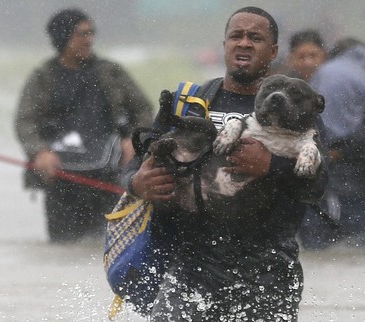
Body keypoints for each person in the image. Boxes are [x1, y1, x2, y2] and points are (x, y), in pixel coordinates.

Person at [121, 7, 325, 320]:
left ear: (273, 51)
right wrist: (136, 183)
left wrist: (271, 165)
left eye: (255, 38)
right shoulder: (190, 102)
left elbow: (321, 184)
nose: (244, 43)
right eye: (236, 36)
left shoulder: (299, 110)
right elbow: (134, 166)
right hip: (191, 262)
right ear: (225, 44)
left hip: (269, 267)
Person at [14, 8, 153, 243]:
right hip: (62, 179)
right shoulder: (43, 77)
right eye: (81, 34)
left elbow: (143, 109)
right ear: (62, 38)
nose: (89, 40)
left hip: (109, 174)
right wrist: (39, 151)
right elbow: (26, 121)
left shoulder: (111, 72)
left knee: (111, 242)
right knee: (63, 247)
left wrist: (133, 141)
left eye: (91, 33)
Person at [309, 37, 365, 249]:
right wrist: (350, 148)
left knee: (325, 234)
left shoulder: (320, 75)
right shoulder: (364, 80)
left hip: (322, 161)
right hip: (354, 163)